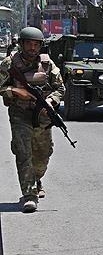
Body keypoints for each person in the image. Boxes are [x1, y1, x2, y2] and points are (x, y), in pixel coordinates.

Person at [0, 27, 65, 213]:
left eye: (36, 44)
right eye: (29, 43)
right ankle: (29, 195)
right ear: (22, 44)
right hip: (19, 113)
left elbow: (60, 88)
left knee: (43, 153)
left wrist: (50, 101)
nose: (32, 48)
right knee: (23, 152)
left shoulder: (47, 63)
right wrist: (14, 91)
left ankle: (37, 179)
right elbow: (1, 86)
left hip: (42, 115)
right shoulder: (9, 63)